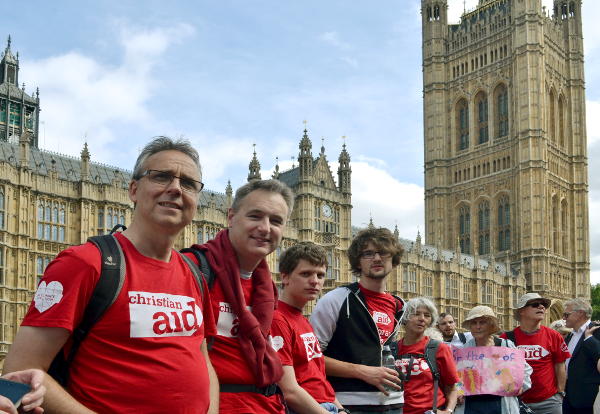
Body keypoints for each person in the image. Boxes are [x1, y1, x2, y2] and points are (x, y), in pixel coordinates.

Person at [3, 137, 218, 413]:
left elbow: (201, 356)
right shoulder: (86, 263)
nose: (175, 188)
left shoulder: (194, 273)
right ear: (133, 190)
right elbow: (21, 369)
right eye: (161, 176)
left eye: (188, 183)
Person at [185, 179, 294, 414]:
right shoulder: (193, 269)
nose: (265, 228)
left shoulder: (267, 287)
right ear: (231, 217)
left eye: (276, 221)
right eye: (255, 216)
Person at [310, 227, 405, 413]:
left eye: (383, 253)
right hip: (348, 403)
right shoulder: (336, 300)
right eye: (368, 254)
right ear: (358, 262)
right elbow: (310, 359)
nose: (377, 258)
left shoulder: (400, 306)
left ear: (393, 260)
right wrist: (361, 371)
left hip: (394, 404)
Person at [271, 242, 346, 414]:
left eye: (320, 275)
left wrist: (341, 410)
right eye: (306, 274)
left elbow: (318, 376)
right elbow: (290, 391)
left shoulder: (303, 321)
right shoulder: (277, 319)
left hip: (329, 407)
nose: (315, 281)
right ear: (285, 277)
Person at [500, 293, 570, 414]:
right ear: (521, 311)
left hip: (549, 402)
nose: (541, 307)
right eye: (535, 304)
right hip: (518, 402)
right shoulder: (506, 338)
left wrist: (560, 393)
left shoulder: (554, 336)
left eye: (543, 305)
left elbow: (560, 366)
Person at [456, 306, 532, 414]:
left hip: (501, 403)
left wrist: (520, 386)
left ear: (491, 325)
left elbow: (525, 370)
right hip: (472, 405)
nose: (478, 327)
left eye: (482, 322)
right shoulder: (464, 350)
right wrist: (458, 392)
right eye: (474, 323)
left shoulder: (505, 345)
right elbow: (456, 377)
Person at [396, 297, 459, 414]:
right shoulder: (392, 349)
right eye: (416, 314)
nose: (422, 319)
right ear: (405, 317)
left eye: (427, 315)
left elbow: (452, 388)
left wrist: (448, 411)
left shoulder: (439, 348)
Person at [562, 298, 600, 414]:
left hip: (589, 400)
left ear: (580, 313)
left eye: (566, 314)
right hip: (568, 398)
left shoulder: (597, 331)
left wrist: (589, 339)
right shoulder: (570, 335)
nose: (564, 318)